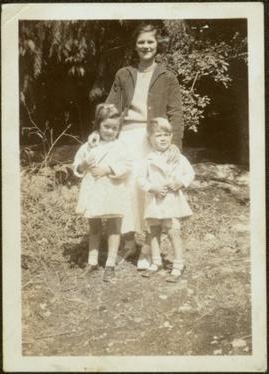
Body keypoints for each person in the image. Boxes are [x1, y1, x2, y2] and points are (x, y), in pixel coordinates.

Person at [89, 23, 184, 269]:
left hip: (152, 140)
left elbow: (176, 114)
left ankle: (146, 248)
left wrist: (175, 146)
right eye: (141, 42)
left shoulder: (167, 77)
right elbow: (111, 107)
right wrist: (97, 134)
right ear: (135, 45)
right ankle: (129, 242)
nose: (145, 46)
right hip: (126, 137)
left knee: (148, 190)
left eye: (150, 42)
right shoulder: (124, 74)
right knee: (126, 188)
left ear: (157, 45)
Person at [73, 103, 132, 282]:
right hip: (94, 191)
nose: (110, 131)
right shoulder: (89, 145)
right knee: (95, 226)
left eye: (114, 128)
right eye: (106, 126)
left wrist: (108, 169)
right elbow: (77, 164)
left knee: (114, 225)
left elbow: (127, 164)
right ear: (98, 125)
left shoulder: (121, 145)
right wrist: (83, 165)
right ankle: (92, 261)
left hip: (113, 189)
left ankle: (110, 264)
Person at [138, 118, 194, 282]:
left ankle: (178, 264)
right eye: (158, 135)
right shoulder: (148, 159)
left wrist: (181, 182)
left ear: (171, 136)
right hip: (155, 201)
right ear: (150, 139)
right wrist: (152, 187)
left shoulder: (178, 157)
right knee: (153, 232)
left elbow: (190, 173)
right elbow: (140, 179)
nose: (163, 138)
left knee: (173, 232)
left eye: (166, 134)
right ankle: (156, 262)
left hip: (171, 200)